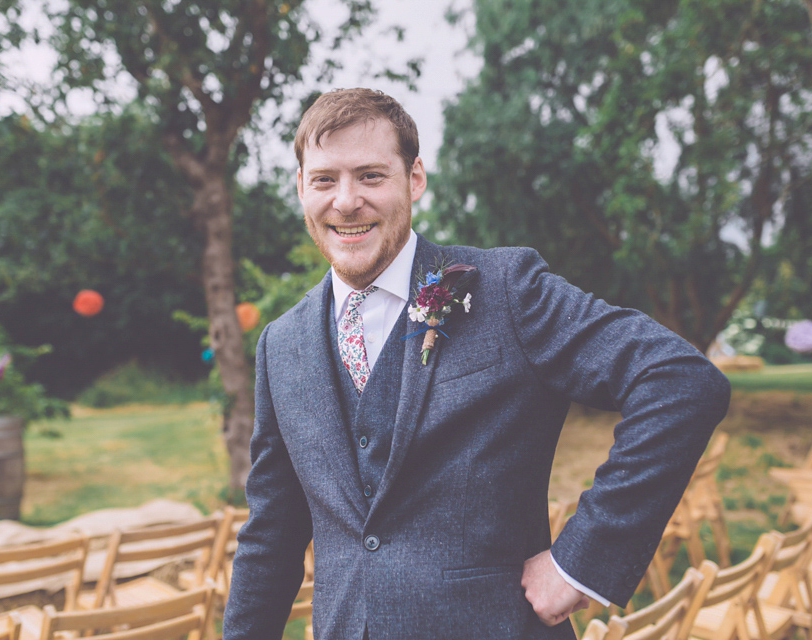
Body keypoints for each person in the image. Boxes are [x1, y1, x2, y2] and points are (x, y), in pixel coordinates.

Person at [221, 88, 731, 640]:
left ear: (414, 178)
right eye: (324, 179)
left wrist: (580, 561)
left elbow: (679, 381)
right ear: (300, 187)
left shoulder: (507, 290)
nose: (345, 201)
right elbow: (271, 535)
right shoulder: (282, 344)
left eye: (370, 176)